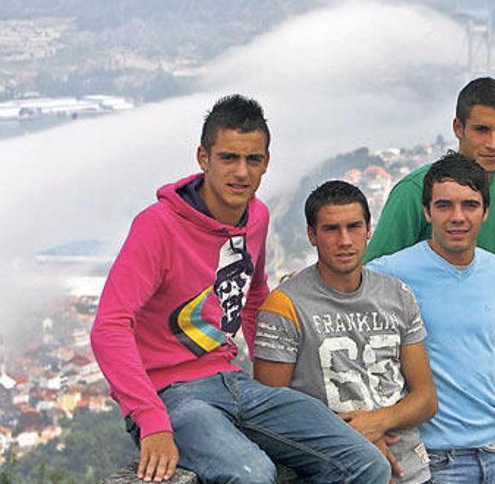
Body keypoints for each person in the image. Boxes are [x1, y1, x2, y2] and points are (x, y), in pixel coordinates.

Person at [90, 95, 389, 483]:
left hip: (236, 384)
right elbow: (110, 326)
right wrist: (150, 420)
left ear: (266, 162)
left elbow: (253, 298)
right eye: (228, 157)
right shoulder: (158, 226)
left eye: (253, 159)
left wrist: (272, 387)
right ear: (203, 157)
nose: (241, 173)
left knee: (367, 463)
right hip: (172, 396)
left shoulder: (257, 216)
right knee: (253, 475)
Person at [366, 76, 495, 482]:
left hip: (489, 328)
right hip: (428, 340)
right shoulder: (415, 190)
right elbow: (371, 278)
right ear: (458, 129)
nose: (494, 143)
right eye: (482, 130)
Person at [251, 180, 438, 484]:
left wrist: (375, 423)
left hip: (411, 471)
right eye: (331, 229)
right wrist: (351, 439)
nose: (345, 240)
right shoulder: (284, 306)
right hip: (338, 472)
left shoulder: (398, 295)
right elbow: (270, 415)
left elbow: (426, 398)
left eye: (354, 226)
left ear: (368, 230)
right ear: (312, 235)